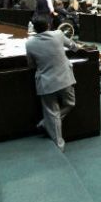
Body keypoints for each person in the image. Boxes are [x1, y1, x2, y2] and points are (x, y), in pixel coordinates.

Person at [25, 17, 78, 152]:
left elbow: (31, 65)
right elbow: (73, 46)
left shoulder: (29, 43)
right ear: (48, 25)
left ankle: (47, 123)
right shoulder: (58, 35)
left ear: (34, 29)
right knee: (68, 105)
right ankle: (59, 145)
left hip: (46, 82)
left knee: (53, 113)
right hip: (64, 79)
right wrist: (78, 47)